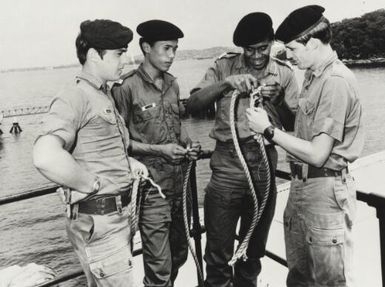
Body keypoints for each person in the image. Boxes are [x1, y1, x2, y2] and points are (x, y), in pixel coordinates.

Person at [247, 5, 364, 287]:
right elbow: (303, 134)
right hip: (303, 190)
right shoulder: (313, 77)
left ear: (311, 43)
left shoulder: (335, 81)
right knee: (299, 278)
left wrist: (268, 130)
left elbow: (318, 153)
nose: (288, 56)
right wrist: (276, 110)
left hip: (324, 193)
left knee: (327, 281)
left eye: (291, 49)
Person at [33, 19, 148, 287]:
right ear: (95, 55)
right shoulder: (75, 96)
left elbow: (94, 147)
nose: (125, 61)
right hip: (101, 222)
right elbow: (45, 156)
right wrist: (91, 183)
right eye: (119, 54)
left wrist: (125, 162)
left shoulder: (102, 94)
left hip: (116, 219)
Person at [187, 12, 299, 287]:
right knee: (218, 252)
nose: (257, 56)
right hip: (227, 164)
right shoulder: (223, 67)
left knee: (253, 250)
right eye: (250, 49)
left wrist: (279, 100)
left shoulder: (284, 73)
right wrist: (226, 84)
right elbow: (192, 105)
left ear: (272, 42)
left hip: (264, 165)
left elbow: (293, 123)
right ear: (241, 48)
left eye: (263, 48)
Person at [112, 20, 200, 287]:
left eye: (175, 49)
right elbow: (119, 144)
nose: (171, 56)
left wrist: (189, 144)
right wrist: (160, 150)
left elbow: (177, 126)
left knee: (180, 254)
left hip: (178, 186)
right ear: (146, 48)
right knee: (159, 267)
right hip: (151, 190)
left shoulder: (172, 84)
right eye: (166, 49)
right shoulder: (125, 87)